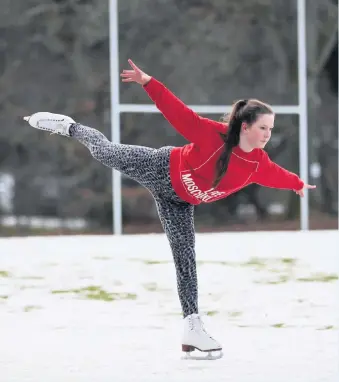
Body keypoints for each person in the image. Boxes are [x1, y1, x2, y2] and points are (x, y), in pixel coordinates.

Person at [23, 59, 315, 360]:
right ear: (245, 126)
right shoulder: (212, 135)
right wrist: (148, 82)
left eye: (271, 128)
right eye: (263, 127)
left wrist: (296, 184)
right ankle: (70, 127)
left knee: (185, 258)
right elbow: (177, 112)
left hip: (179, 203)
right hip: (160, 167)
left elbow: (277, 174)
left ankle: (192, 327)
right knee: (105, 151)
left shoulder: (258, 164)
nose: (268, 134)